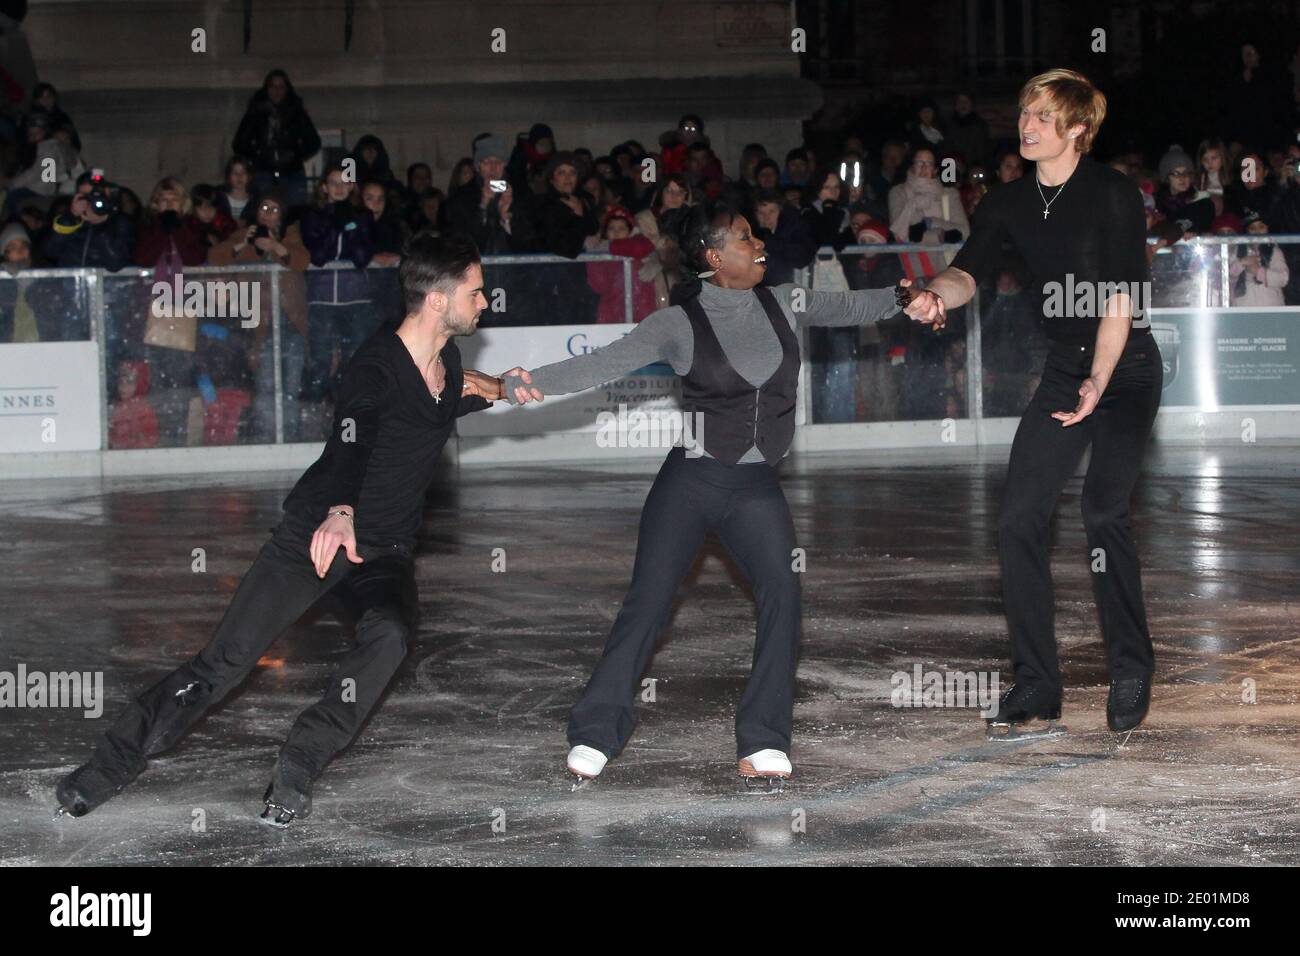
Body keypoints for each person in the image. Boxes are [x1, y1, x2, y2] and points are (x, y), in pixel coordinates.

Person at [54, 234, 532, 826]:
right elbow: (348, 444)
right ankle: (106, 768)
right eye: (475, 291)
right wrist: (341, 510)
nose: (485, 301)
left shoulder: (446, 362)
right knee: (224, 664)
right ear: (437, 300)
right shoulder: (374, 370)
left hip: (383, 550)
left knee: (390, 637)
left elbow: (449, 395)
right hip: (319, 536)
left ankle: (300, 762)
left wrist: (501, 387)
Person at [498, 200, 906, 788]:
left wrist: (912, 295)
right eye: (744, 236)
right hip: (691, 482)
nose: (759, 241)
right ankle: (595, 732)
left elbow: (853, 305)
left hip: (756, 488)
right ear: (714, 257)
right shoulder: (677, 322)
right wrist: (522, 383)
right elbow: (601, 365)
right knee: (650, 603)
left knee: (783, 599)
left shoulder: (785, 300)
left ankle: (763, 738)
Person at [903, 68, 1163, 738]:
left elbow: (1119, 301)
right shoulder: (1008, 203)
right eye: (1025, 113)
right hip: (1063, 372)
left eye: (1043, 117)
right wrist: (936, 294)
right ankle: (1038, 684)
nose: (1027, 126)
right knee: (1019, 518)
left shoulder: (1112, 194)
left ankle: (1132, 665)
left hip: (1126, 370)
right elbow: (968, 271)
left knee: (1104, 511)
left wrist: (1099, 381)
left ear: (1077, 128)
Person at [231, 69, 321, 208]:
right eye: (273, 86)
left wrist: (295, 155)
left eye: (281, 87)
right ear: (266, 89)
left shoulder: (296, 113)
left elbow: (313, 142)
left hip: (292, 172)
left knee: (294, 212)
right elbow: (239, 143)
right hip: (264, 173)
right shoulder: (256, 113)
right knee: (265, 211)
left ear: (287, 89)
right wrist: (259, 155)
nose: (277, 91)